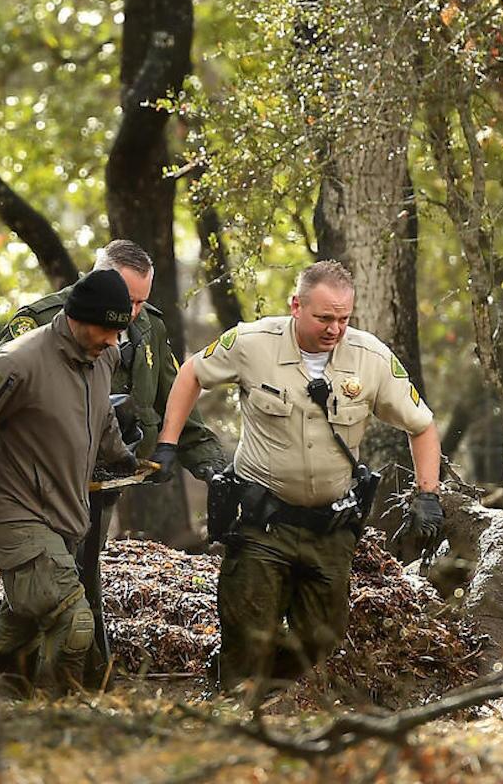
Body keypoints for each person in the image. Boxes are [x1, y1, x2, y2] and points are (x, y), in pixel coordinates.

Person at [152, 260, 444, 695]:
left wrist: (428, 494)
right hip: (261, 520)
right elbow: (193, 371)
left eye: (343, 318)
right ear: (296, 306)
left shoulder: (372, 359)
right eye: (324, 317)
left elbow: (421, 425)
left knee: (321, 638)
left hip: (330, 527)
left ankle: (269, 692)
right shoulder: (253, 343)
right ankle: (232, 710)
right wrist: (168, 443)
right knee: (246, 633)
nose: (335, 329)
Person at [0, 269, 139, 694]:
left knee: (25, 620)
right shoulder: (17, 362)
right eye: (107, 329)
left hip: (65, 513)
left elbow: (103, 415)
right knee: (74, 621)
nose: (113, 341)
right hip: (16, 512)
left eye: (118, 331)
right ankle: (52, 718)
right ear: (77, 317)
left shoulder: (103, 354)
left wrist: (122, 458)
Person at [1, 239, 226, 482]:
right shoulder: (41, 321)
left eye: (141, 302)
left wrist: (208, 463)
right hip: (45, 474)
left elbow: (175, 397)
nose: (133, 312)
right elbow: (4, 397)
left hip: (116, 475)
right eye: (128, 300)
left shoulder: (150, 325)